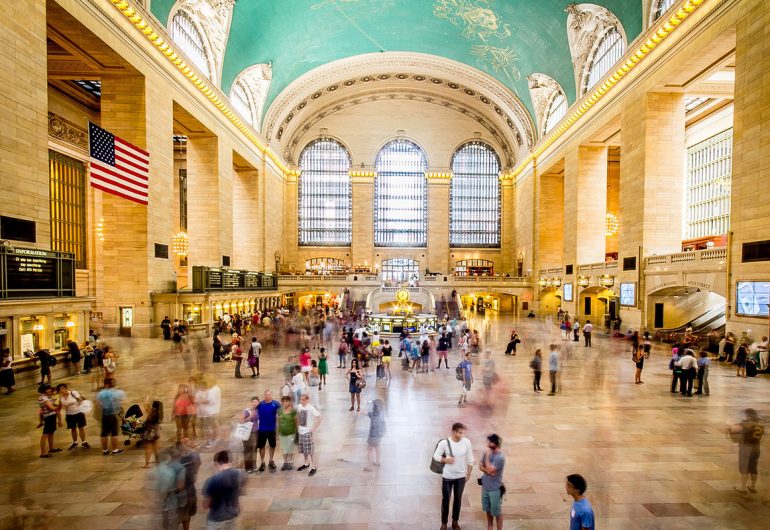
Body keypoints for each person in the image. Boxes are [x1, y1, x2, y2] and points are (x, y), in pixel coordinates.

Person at [433, 422, 474, 530]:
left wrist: (468, 474)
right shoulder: (444, 443)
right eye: (460, 433)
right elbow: (436, 456)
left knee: (458, 499)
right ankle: (444, 523)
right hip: (447, 477)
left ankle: (455, 522)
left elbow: (470, 459)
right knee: (445, 500)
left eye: (463, 433)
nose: (462, 435)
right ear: (454, 432)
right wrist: (445, 459)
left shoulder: (466, 442)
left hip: (461, 477)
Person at [202, 450, 247, 530]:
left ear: (217, 462)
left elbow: (205, 505)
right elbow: (242, 492)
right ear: (228, 460)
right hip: (232, 516)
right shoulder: (241, 474)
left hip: (216, 519)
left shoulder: (211, 480)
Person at [728, 408, 764, 493]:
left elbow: (734, 429)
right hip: (757, 448)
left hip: (746, 447)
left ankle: (743, 488)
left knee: (744, 467)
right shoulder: (760, 424)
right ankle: (753, 486)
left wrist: (730, 424)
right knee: (753, 467)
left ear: (748, 415)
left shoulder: (747, 423)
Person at [152, 447, 185, 530]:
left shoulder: (160, 469)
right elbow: (180, 486)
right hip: (174, 499)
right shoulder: (179, 468)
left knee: (165, 518)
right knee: (175, 520)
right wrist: (171, 491)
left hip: (163, 501)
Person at [479, 433, 505, 530]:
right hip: (485, 487)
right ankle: (490, 527)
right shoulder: (487, 452)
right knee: (487, 509)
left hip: (495, 489)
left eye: (489, 442)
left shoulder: (500, 458)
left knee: (497, 512)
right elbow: (481, 466)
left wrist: (486, 458)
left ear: (494, 443)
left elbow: (490, 469)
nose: (487, 444)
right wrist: (488, 470)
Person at [96, 378, 125, 456]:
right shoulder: (118, 392)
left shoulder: (101, 393)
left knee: (104, 433)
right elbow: (120, 401)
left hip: (104, 415)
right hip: (113, 415)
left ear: (105, 384)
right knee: (114, 433)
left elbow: (98, 404)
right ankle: (115, 450)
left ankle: (105, 450)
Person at [176, 441, 201, 530]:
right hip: (190, 491)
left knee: (182, 515)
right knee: (186, 515)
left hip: (182, 493)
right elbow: (198, 463)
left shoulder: (176, 460)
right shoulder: (194, 455)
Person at [56, 383, 89, 450]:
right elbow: (60, 407)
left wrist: (71, 404)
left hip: (78, 413)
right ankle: (75, 442)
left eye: (63, 388)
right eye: (60, 390)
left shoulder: (73, 393)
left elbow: (80, 399)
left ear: (66, 388)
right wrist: (59, 419)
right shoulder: (61, 398)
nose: (62, 390)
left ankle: (84, 442)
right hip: (69, 415)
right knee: (73, 429)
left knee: (81, 428)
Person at [296, 393, 322, 476]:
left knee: (310, 450)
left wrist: (313, 428)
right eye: (301, 399)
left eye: (303, 399)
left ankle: (313, 467)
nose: (301, 401)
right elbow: (297, 416)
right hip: (301, 431)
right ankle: (306, 463)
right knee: (304, 449)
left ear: (307, 400)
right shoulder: (299, 406)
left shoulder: (311, 408)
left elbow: (319, 417)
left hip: (307, 432)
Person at [256, 390, 281, 473]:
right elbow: (252, 409)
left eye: (269, 395)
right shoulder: (260, 404)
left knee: (272, 445)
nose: (268, 396)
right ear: (264, 395)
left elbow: (282, 414)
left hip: (272, 429)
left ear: (272, 395)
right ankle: (262, 462)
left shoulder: (276, 404)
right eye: (266, 395)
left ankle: (271, 460)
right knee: (261, 446)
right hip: (262, 429)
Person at [195, 378, 222, 448]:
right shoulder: (198, 393)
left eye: (202, 386)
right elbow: (196, 401)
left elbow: (209, 401)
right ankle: (205, 440)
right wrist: (200, 401)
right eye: (200, 386)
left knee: (207, 427)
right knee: (202, 427)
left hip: (208, 413)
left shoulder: (210, 391)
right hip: (201, 413)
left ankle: (209, 441)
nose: (201, 387)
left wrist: (201, 401)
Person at [37, 384, 61, 457]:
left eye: (49, 389)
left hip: (51, 416)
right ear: (43, 390)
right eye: (47, 389)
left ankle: (51, 448)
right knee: (45, 434)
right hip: (48, 417)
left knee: (51, 432)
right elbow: (51, 407)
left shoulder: (46, 397)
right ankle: (43, 452)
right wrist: (59, 405)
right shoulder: (44, 398)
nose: (49, 390)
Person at [365, 399, 386, 472]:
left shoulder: (373, 414)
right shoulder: (382, 413)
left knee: (369, 450)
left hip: (372, 435)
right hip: (379, 434)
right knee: (377, 447)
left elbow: (367, 411)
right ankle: (377, 462)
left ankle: (370, 467)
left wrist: (368, 403)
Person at [240, 396, 259, 474]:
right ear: (251, 402)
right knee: (248, 450)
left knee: (254, 450)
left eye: (256, 402)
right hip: (248, 433)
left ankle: (254, 465)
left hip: (256, 432)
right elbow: (241, 421)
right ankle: (248, 467)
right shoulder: (246, 411)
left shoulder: (257, 410)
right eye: (253, 402)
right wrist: (250, 417)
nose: (255, 403)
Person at [278, 396, 297, 470]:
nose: (285, 403)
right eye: (284, 401)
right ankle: (285, 462)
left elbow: (296, 422)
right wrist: (277, 432)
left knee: (290, 448)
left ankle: (290, 462)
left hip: (291, 432)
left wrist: (297, 432)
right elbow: (278, 422)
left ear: (289, 402)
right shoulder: (279, 410)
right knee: (284, 448)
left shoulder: (293, 411)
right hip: (282, 433)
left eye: (287, 401)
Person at [142, 400, 162, 468]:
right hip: (156, 433)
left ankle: (147, 464)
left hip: (149, 433)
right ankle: (158, 462)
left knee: (148, 449)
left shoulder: (152, 412)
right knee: (156, 449)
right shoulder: (160, 413)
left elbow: (145, 405)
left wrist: (147, 399)